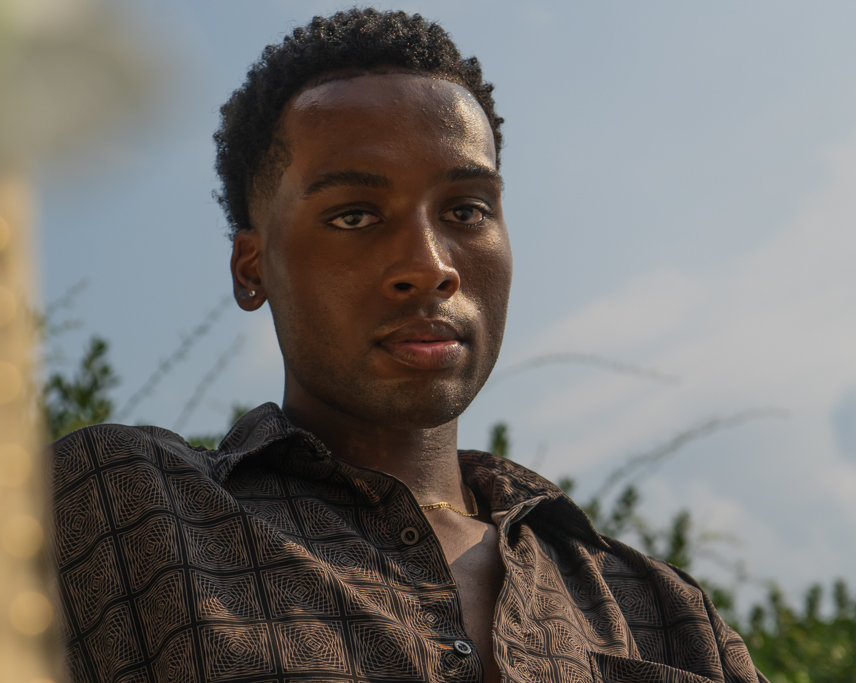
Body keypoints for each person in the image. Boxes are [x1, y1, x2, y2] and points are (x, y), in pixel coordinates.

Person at [51, 9, 766, 683]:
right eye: (355, 214)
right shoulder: (124, 506)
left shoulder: (664, 611)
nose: (429, 264)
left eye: (467, 210)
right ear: (253, 267)